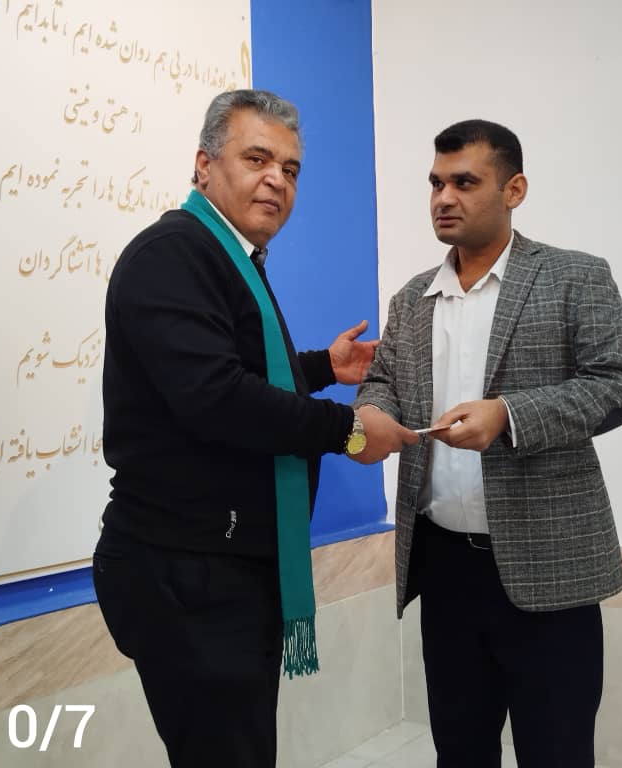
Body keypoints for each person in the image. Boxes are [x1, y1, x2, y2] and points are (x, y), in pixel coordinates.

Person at [92, 88, 417, 768]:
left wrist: (320, 367)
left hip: (224, 568)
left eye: (290, 168)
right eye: (258, 159)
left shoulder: (226, 255)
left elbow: (232, 368)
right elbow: (216, 398)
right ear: (204, 165)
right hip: (185, 574)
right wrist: (350, 431)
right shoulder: (172, 254)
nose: (277, 179)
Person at [354, 120, 622, 767]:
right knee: (459, 750)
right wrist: (371, 415)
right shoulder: (412, 299)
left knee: (556, 752)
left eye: (464, 182)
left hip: (549, 568)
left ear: (514, 190)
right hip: (444, 568)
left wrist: (509, 415)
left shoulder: (574, 277)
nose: (443, 198)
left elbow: (614, 386)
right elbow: (382, 383)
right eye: (435, 183)